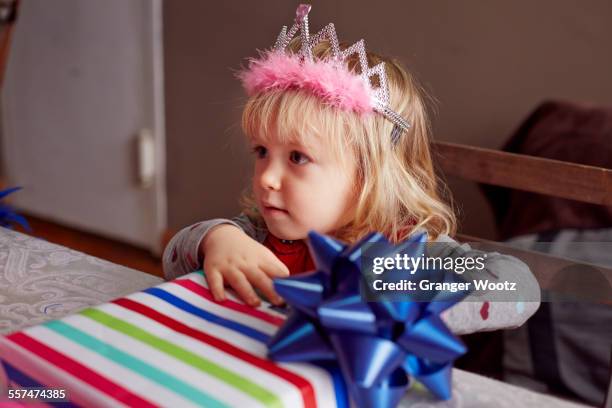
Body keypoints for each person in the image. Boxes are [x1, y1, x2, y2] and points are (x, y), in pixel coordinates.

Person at [163, 4, 540, 335]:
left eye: (297, 157)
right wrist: (217, 239)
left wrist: (413, 305)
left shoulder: (408, 250)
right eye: (261, 151)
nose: (266, 178)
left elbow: (520, 287)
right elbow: (176, 256)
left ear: (370, 175)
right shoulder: (264, 235)